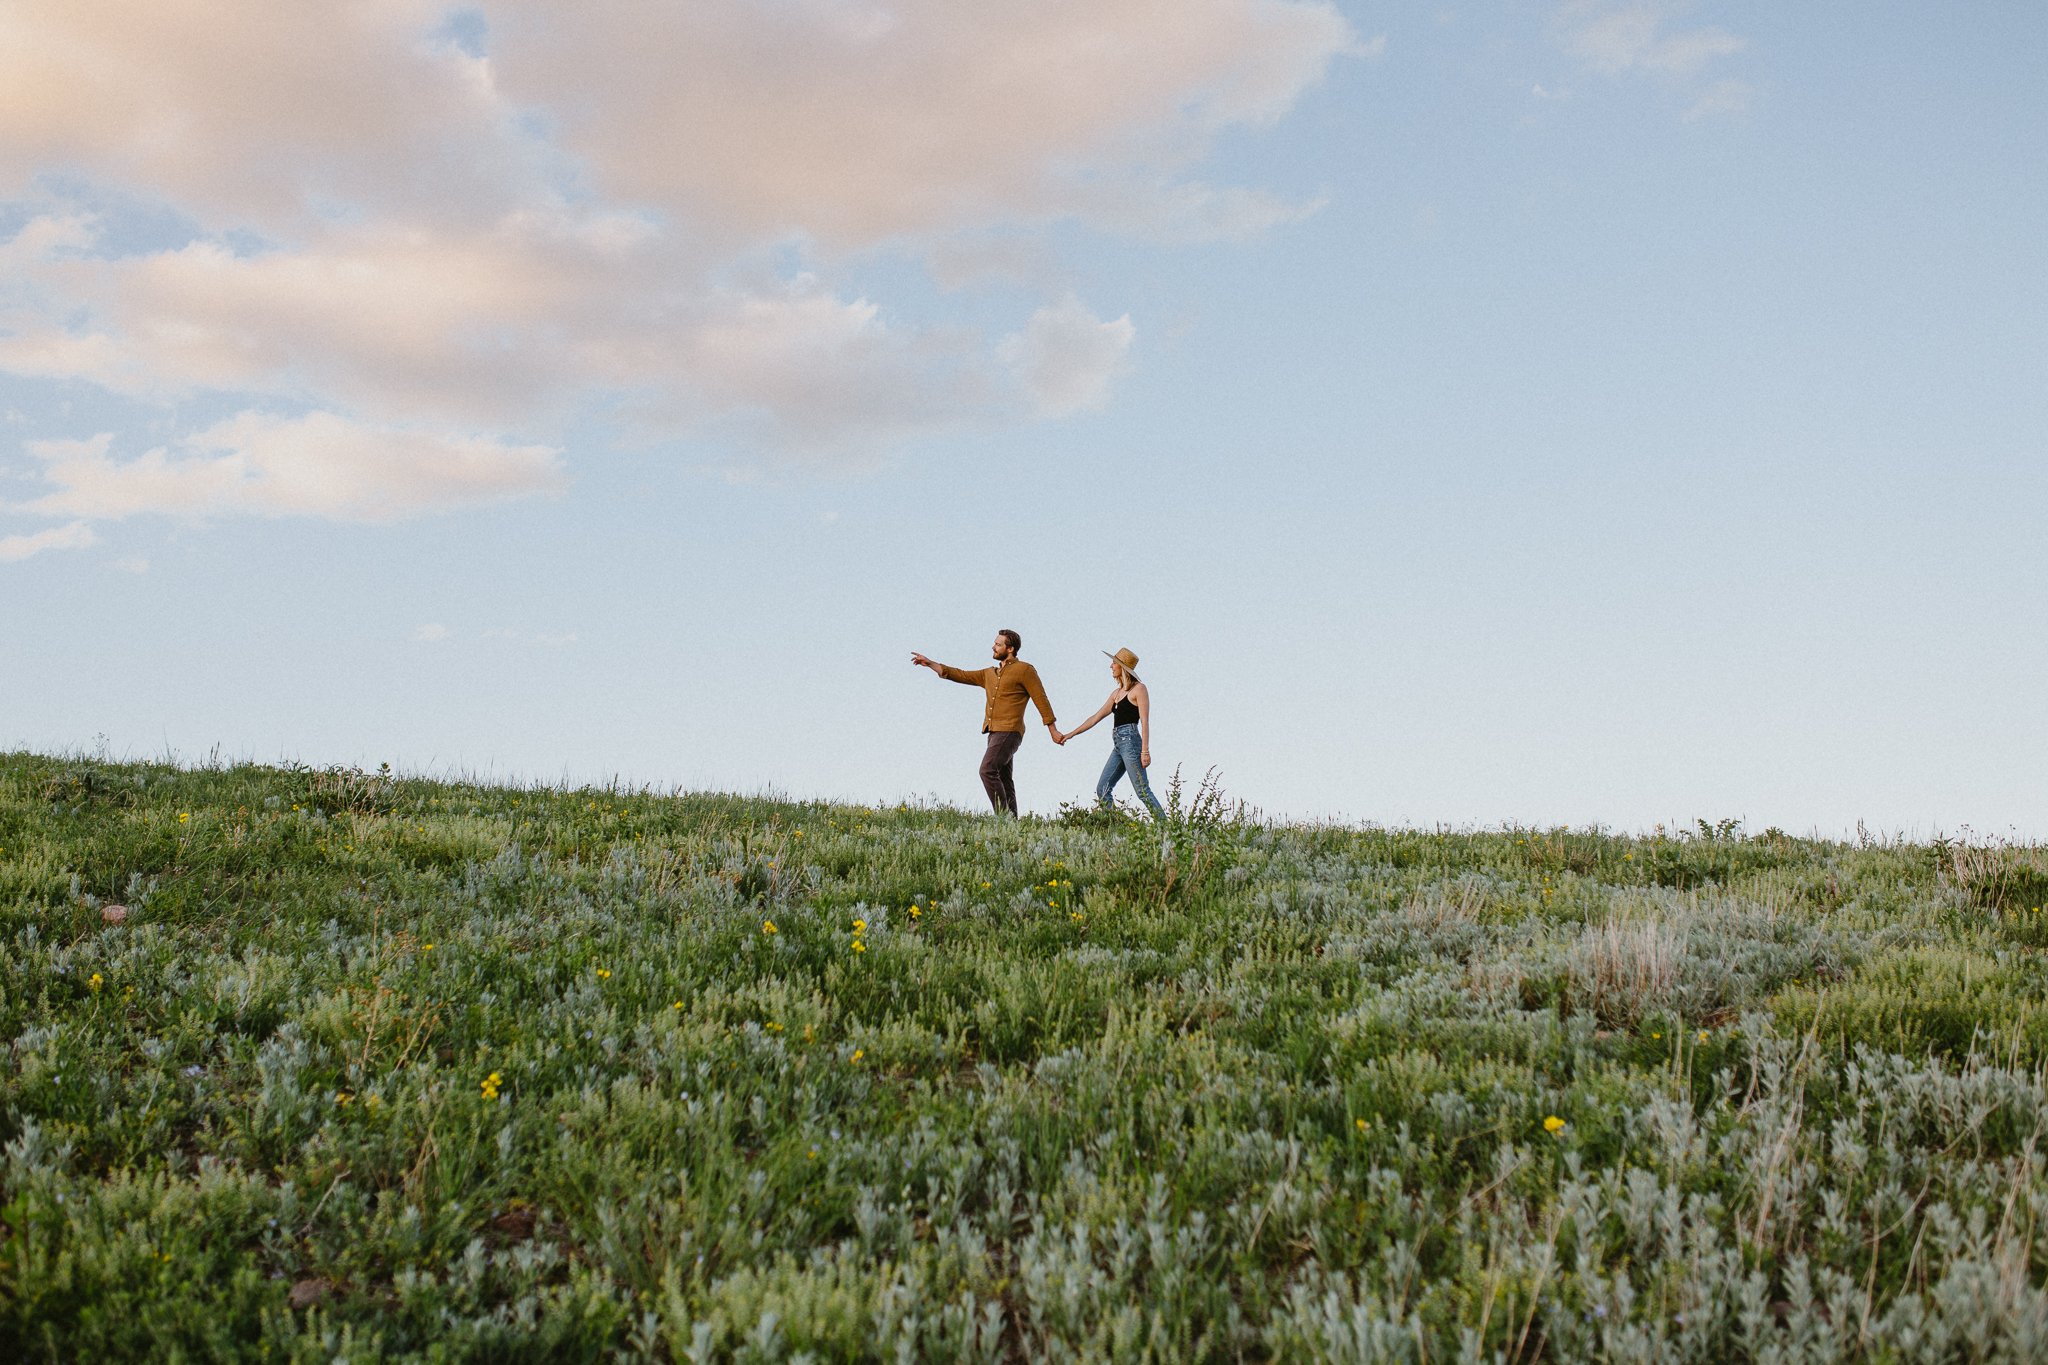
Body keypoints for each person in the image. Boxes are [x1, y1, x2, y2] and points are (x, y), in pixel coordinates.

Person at [911, 630, 1061, 816]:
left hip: (1010, 731)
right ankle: (1012, 824)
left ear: (1010, 648)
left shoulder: (1025, 670)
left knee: (987, 770)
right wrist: (931, 663)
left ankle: (1004, 818)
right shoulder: (989, 674)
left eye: (998, 644)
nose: (993, 646)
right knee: (1004, 778)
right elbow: (961, 675)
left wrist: (1052, 730)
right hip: (994, 732)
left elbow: (1041, 699)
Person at [1060, 646, 1165, 822]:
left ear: (1122, 667)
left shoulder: (1139, 689)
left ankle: (1166, 828)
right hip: (1118, 744)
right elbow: (1094, 718)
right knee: (1103, 788)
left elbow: (1145, 721)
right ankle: (1115, 827)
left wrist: (1145, 751)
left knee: (1142, 791)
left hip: (1131, 742)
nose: (1111, 666)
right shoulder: (1116, 694)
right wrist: (1070, 734)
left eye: (1114, 663)